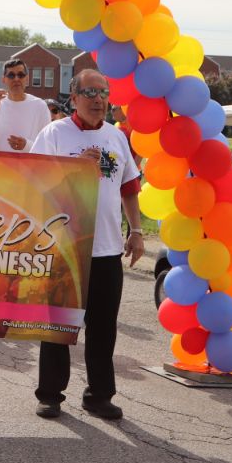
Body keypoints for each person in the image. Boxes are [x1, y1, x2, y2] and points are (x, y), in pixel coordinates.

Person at [31, 69, 144, 421]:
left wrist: (137, 230)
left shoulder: (116, 137)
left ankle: (99, 396)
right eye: (90, 92)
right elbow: (33, 183)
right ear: (74, 96)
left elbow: (128, 188)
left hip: (108, 249)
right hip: (66, 246)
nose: (98, 99)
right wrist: (75, 170)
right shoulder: (54, 134)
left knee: (103, 327)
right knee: (59, 326)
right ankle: (50, 394)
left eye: (104, 92)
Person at [0, 59, 51, 153]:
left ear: (27, 79)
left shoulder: (40, 106)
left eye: (21, 75)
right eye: (11, 75)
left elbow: (47, 145)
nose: (16, 79)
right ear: (3, 79)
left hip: (28, 166)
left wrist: (26, 145)